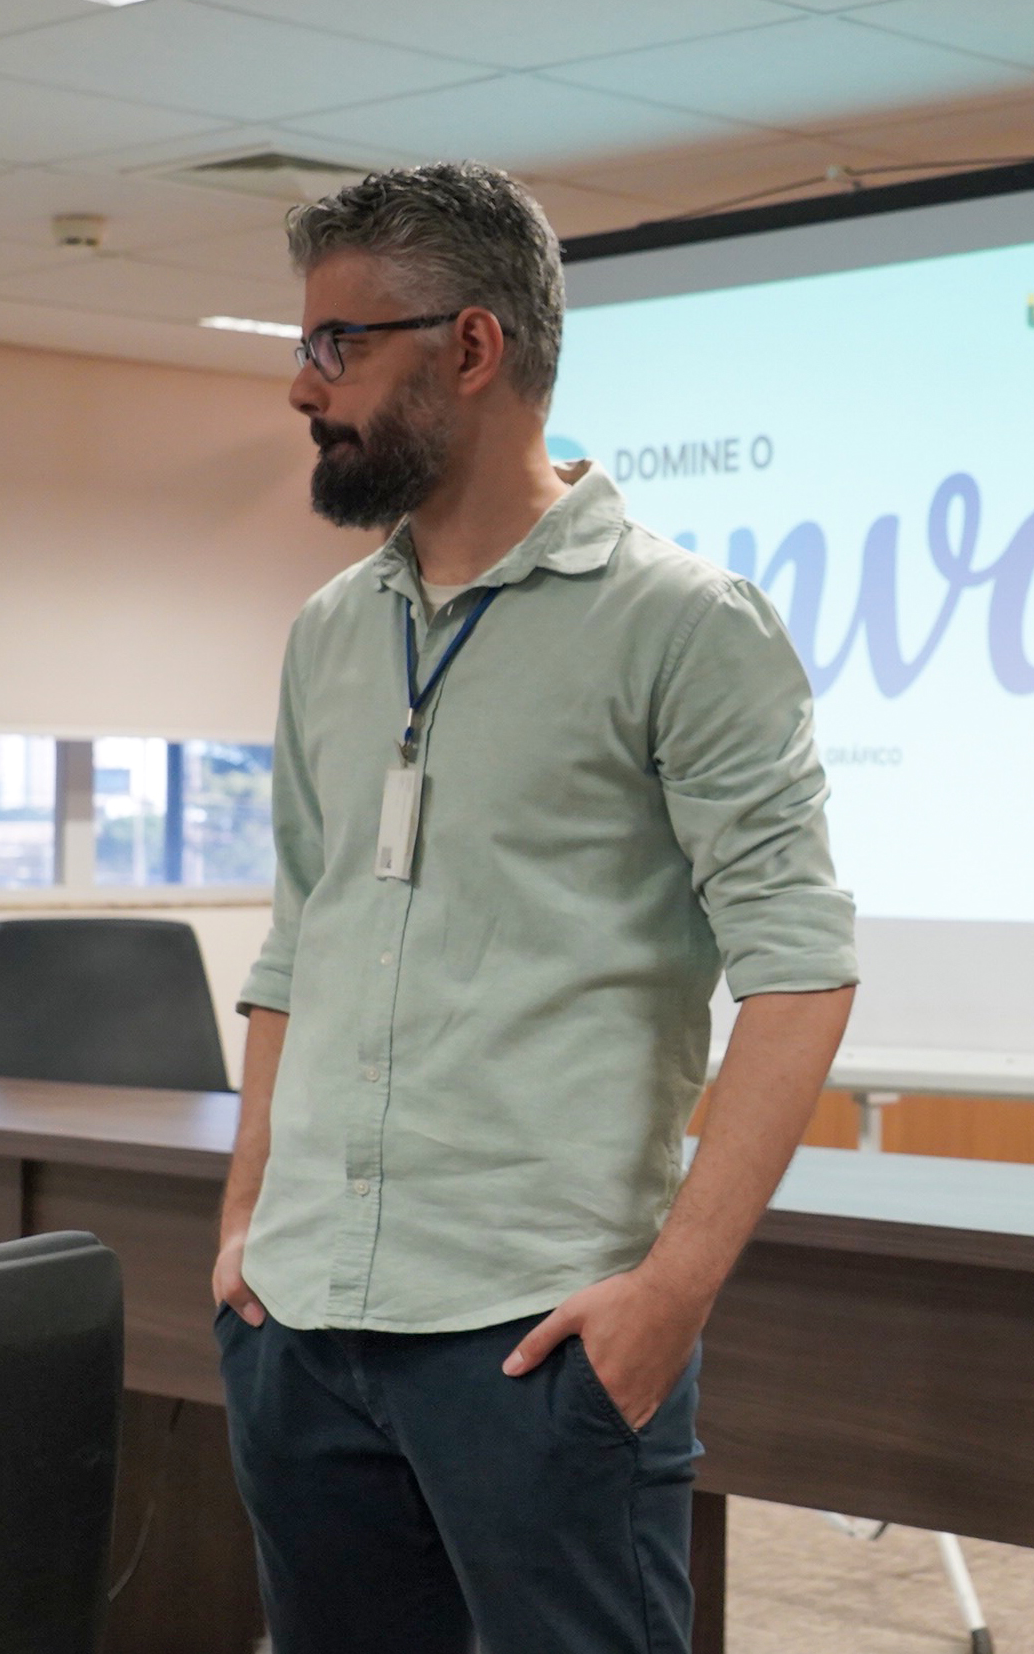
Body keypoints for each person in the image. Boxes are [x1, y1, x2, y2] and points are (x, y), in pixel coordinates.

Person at [209, 162, 858, 1654]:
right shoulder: (330, 633)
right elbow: (298, 938)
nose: (304, 386)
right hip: (302, 1324)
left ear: (472, 348)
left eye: (338, 345)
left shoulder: (681, 623)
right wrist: (245, 1224)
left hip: (536, 1334)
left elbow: (801, 968)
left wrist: (670, 1297)